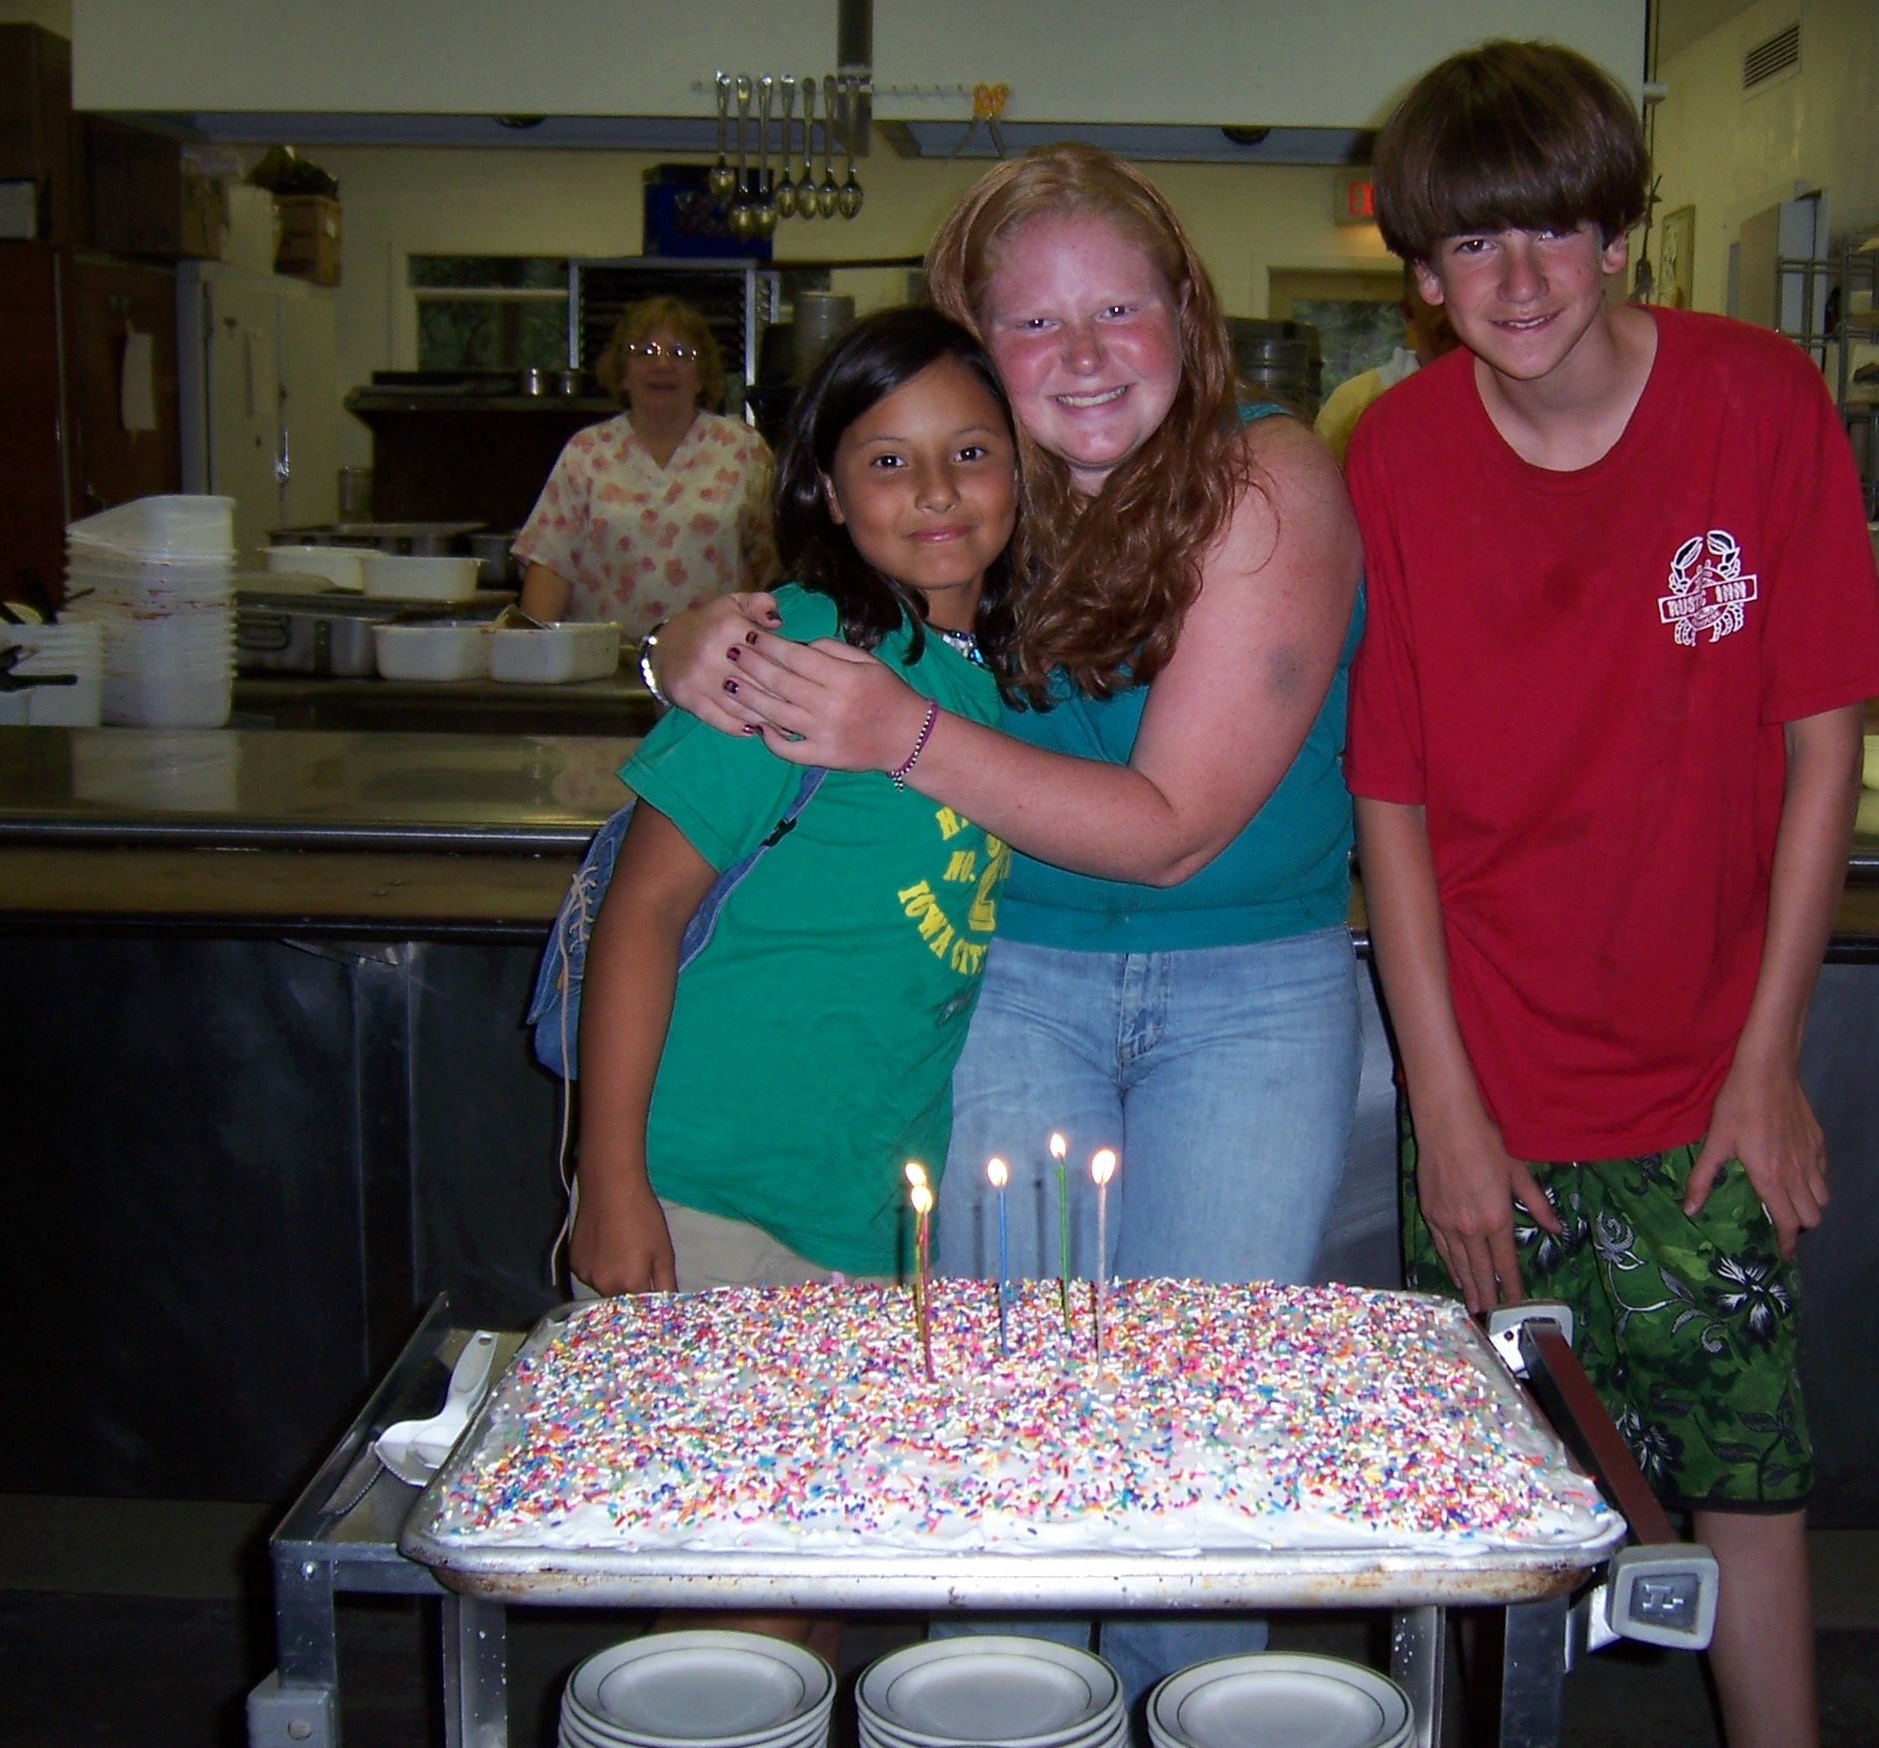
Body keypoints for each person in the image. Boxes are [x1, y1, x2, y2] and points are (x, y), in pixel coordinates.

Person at [643, 144, 1363, 1702]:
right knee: (1001, 1405)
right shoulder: (982, 493)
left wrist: (899, 733)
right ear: (973, 344)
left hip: (1247, 991)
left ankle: (1178, 1712)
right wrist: (688, 636)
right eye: (1033, 323)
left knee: (1191, 1418)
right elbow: (829, 580)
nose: (1084, 356)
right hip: (1010, 973)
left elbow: (1172, 831)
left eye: (1119, 308)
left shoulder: (1266, 479)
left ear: (1188, 310)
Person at [1346, 41, 1879, 1748]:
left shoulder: (1759, 404)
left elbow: (1823, 745)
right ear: (1423, 275)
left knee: (1748, 1483)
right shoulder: (1396, 456)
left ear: (1616, 234)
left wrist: (1768, 1058)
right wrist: (1445, 1113)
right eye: (1473, 244)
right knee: (1483, 1503)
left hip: (1701, 1081)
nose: (1519, 279)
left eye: (1554, 230)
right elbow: (1390, 800)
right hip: (1491, 1084)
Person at [569, 305, 1018, 1306]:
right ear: (829, 490)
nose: (937, 489)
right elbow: (643, 908)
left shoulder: (1007, 680)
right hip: (705, 1204)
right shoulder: (798, 648)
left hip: (871, 1217)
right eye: (889, 462)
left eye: (971, 452)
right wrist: (611, 1179)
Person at [515, 295, 779, 632]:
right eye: (645, 352)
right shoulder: (585, 453)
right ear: (622, 373)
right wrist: (535, 652)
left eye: (680, 353)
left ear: (702, 375)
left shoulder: (743, 450)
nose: (662, 365)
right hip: (605, 657)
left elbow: (773, 566)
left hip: (716, 656)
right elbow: (551, 566)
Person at [1311, 258, 1459, 460]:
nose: (1455, 314)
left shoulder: (1501, 398)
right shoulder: (1353, 405)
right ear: (1408, 310)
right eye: (1439, 296)